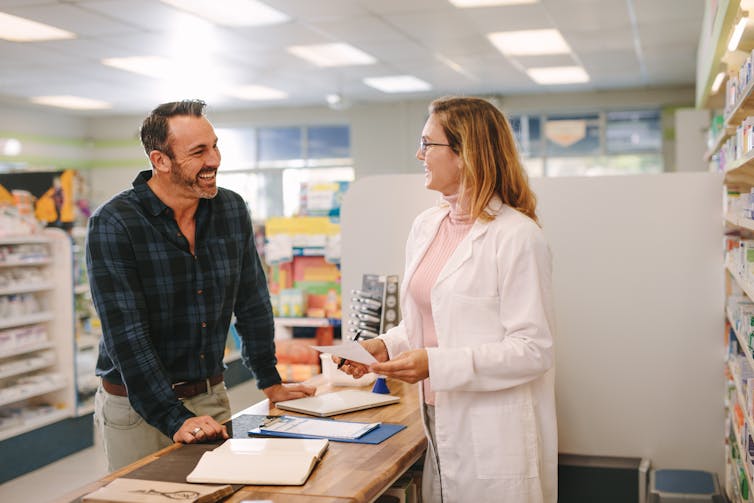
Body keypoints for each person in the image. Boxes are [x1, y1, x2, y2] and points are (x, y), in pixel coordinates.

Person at [340, 97, 557, 502]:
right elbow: (427, 321)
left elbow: (533, 350)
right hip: (438, 415)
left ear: (465, 153)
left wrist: (433, 363)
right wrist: (382, 346)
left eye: (428, 144)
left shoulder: (518, 236)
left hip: (494, 428)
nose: (419, 154)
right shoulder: (427, 226)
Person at [86, 99, 315, 471]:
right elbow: (126, 335)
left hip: (209, 396)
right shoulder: (115, 223)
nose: (215, 160)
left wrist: (270, 380)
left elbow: (252, 301)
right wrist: (173, 417)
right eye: (199, 152)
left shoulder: (230, 210)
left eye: (214, 146)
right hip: (136, 406)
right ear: (160, 160)